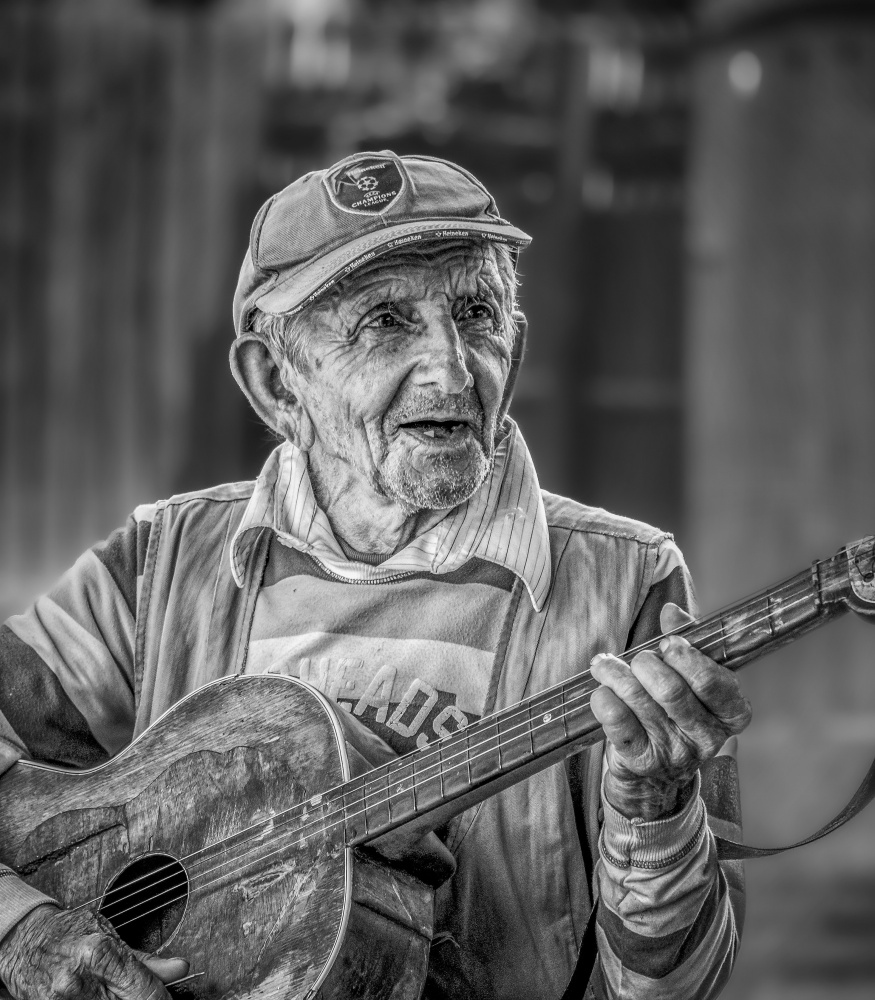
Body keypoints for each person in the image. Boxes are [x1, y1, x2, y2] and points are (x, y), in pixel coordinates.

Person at [0, 151, 750, 1000]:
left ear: (518, 343)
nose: (453, 368)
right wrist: (18, 926)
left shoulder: (626, 586)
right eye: (385, 322)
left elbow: (679, 987)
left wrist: (654, 815)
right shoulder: (157, 567)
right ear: (275, 380)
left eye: (476, 314)